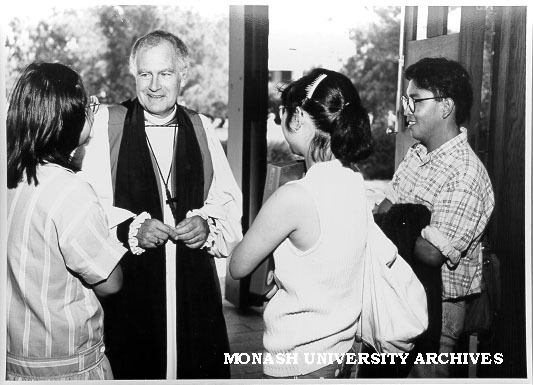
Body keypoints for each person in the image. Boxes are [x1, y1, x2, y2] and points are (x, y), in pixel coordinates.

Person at [80, 30, 243, 380]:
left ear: (182, 75)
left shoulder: (200, 128)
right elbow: (87, 208)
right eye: (145, 74)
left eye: (165, 73)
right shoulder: (111, 125)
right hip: (132, 299)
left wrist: (207, 225)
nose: (154, 85)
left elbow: (228, 206)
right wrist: (131, 228)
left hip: (194, 295)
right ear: (133, 74)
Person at [229, 68, 373, 379]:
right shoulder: (354, 181)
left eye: (282, 112)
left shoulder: (294, 197)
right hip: (342, 352)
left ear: (296, 118)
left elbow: (238, 266)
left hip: (299, 363)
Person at [6, 62, 127, 380]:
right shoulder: (70, 190)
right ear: (68, 118)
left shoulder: (12, 180)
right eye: (88, 105)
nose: (92, 112)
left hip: (14, 359)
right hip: (67, 366)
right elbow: (110, 283)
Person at [378, 57, 495, 378]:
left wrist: (394, 224)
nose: (406, 109)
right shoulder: (417, 155)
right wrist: (409, 224)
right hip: (399, 295)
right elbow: (384, 211)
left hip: (437, 311)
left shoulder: (465, 173)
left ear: (446, 106)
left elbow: (431, 254)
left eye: (415, 100)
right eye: (406, 100)